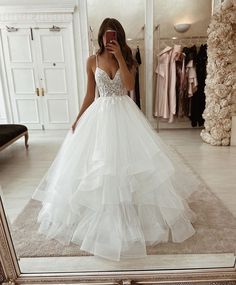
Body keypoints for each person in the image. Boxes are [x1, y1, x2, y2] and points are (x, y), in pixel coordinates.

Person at [32, 18, 199, 261]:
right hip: (99, 116)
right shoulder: (92, 60)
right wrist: (78, 119)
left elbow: (129, 86)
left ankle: (132, 207)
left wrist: (120, 56)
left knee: (132, 165)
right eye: (106, 35)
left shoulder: (128, 59)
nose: (109, 38)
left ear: (118, 37)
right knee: (100, 166)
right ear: (101, 36)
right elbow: (90, 94)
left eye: (114, 35)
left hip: (124, 113)